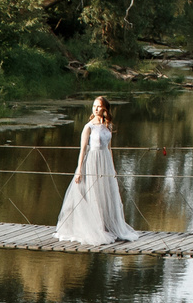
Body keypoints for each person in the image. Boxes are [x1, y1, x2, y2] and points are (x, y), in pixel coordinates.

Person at [55, 95, 136, 246]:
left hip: (105, 162)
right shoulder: (89, 127)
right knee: (94, 194)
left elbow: (109, 148)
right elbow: (83, 150)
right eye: (94, 106)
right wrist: (79, 170)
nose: (96, 109)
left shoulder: (107, 125)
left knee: (106, 193)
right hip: (92, 162)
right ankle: (96, 227)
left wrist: (112, 167)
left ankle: (108, 226)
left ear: (105, 108)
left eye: (99, 106)